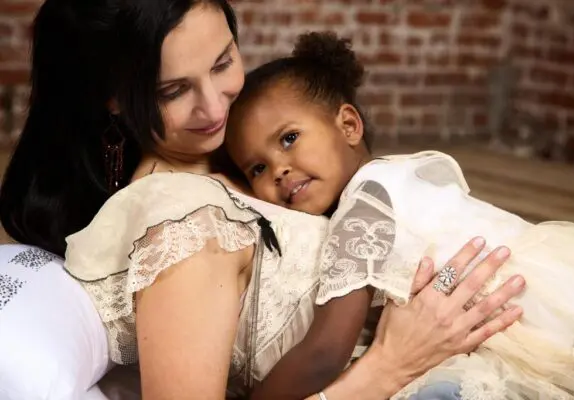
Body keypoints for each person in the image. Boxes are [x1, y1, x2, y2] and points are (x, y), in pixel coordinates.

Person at [0, 1, 525, 399]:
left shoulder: (231, 155)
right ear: (111, 99)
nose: (214, 106)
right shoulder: (185, 230)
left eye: (224, 61)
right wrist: (389, 364)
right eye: (173, 90)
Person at [225, 31, 574, 399]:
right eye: (257, 168)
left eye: (289, 138)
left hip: (545, 315)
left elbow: (324, 353)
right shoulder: (396, 173)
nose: (278, 170)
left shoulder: (365, 205)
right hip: (562, 293)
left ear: (349, 125)